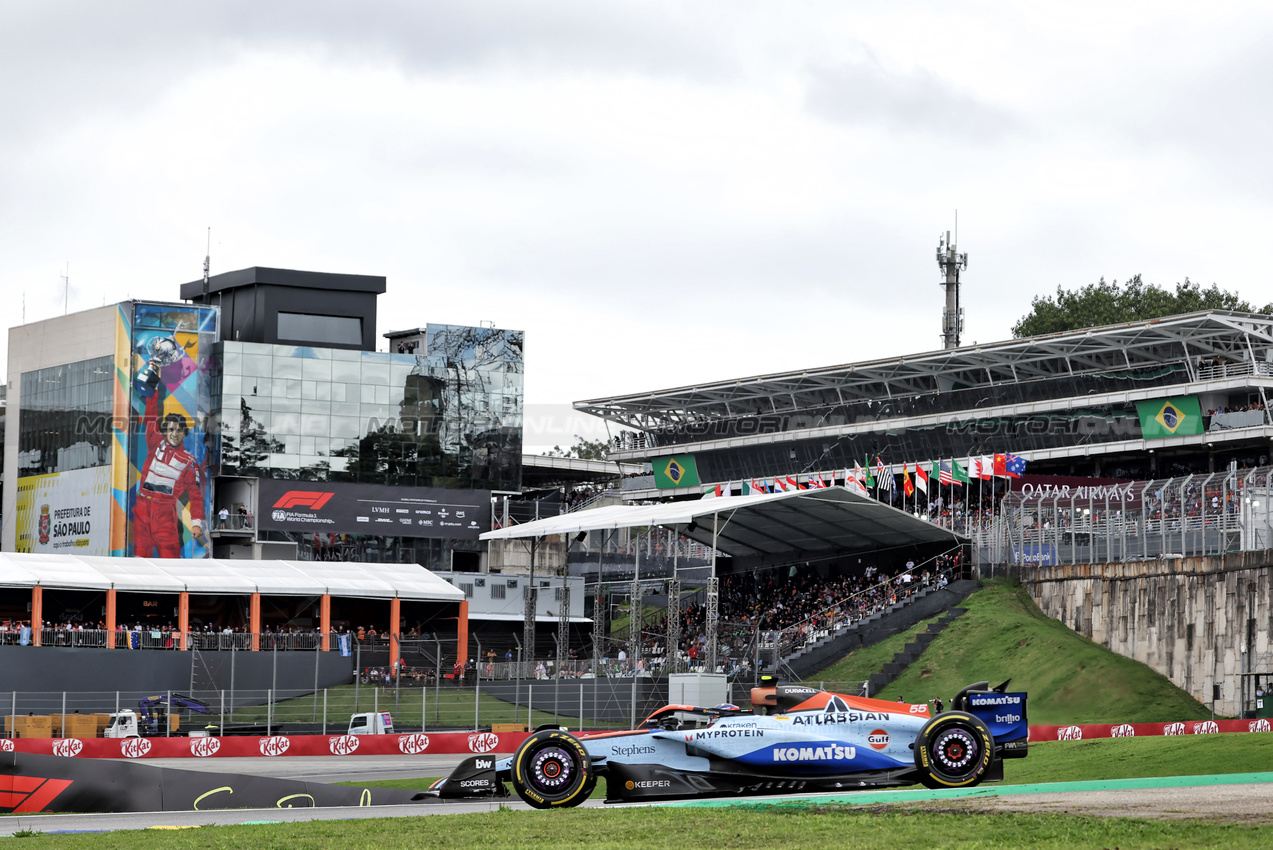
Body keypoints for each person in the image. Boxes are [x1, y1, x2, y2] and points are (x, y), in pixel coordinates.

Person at [134, 387, 205, 558]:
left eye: (179, 430)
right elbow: (151, 415)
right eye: (171, 429)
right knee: (139, 560)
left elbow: (195, 495)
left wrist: (196, 524)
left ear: (184, 433)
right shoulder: (155, 441)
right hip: (142, 506)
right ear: (165, 431)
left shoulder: (189, 461)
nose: (174, 434)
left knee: (170, 559)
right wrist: (154, 385)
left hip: (164, 512)